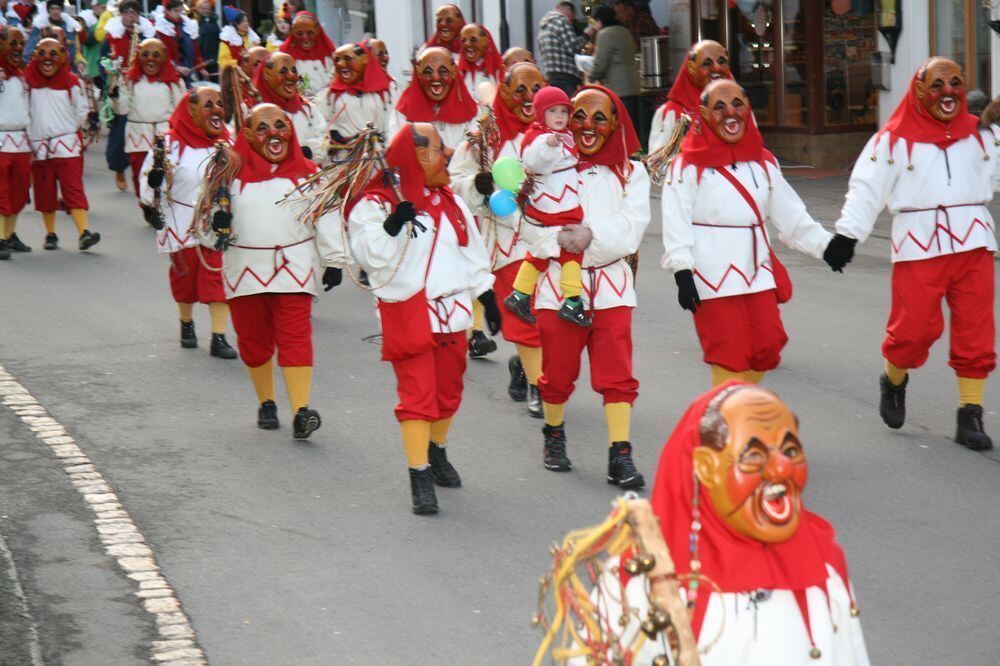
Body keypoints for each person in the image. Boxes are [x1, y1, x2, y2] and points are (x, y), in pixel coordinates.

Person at [578, 383, 870, 664]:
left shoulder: (825, 571)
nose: (782, 468)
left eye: (790, 451)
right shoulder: (639, 581)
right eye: (754, 456)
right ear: (705, 467)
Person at [833, 57, 999, 450]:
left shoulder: (981, 136)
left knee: (976, 331)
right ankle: (893, 379)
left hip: (972, 241)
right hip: (919, 246)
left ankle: (969, 413)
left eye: (955, 83)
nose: (948, 92)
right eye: (938, 85)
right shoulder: (893, 140)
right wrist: (847, 235)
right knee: (913, 332)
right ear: (920, 91)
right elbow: (866, 189)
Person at [344, 122, 497, 515]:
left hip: (453, 313)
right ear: (416, 156)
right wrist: (394, 223)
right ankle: (419, 474)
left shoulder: (452, 202)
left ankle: (436, 448)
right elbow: (369, 255)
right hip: (409, 313)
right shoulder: (376, 203)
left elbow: (472, 253)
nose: (447, 155)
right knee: (417, 397)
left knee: (449, 392)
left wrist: (488, 294)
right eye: (438, 148)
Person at [660, 79, 840, 386]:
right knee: (729, 351)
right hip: (711, 275)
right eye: (719, 107)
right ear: (703, 113)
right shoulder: (686, 166)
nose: (730, 113)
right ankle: (729, 418)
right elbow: (675, 220)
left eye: (737, 105)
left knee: (768, 346)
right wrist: (682, 272)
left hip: (756, 271)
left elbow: (791, 215)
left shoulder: (764, 162)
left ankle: (733, 404)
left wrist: (827, 247)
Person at [519, 84, 647, 486]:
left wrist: (588, 234)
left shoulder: (632, 171)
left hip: (610, 284)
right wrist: (557, 240)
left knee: (618, 375)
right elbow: (526, 225)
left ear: (615, 124)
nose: (587, 126)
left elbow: (632, 227)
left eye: (599, 117)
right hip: (558, 284)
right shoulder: (548, 165)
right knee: (557, 374)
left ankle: (620, 453)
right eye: (579, 116)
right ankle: (553, 434)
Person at [204, 103, 324, 439]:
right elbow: (206, 232)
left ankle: (301, 411)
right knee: (254, 343)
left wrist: (334, 262)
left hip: (295, 269)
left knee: (296, 338)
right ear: (248, 135)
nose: (273, 133)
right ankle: (267, 401)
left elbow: (326, 221)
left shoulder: (310, 175)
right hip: (246, 272)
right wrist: (217, 223)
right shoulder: (227, 178)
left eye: (280, 125)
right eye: (262, 127)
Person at [449, 61, 547, 414]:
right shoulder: (485, 138)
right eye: (520, 90)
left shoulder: (557, 132)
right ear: (505, 93)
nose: (528, 98)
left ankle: (524, 364)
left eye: (536, 89)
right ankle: (539, 387)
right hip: (508, 243)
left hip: (550, 239)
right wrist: (477, 185)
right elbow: (455, 179)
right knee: (525, 315)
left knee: (550, 318)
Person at [139, 87, 237, 358]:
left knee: (217, 276)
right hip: (180, 220)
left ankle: (218, 336)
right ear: (191, 111)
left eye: (219, 104)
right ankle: (186, 323)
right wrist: (149, 203)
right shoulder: (170, 143)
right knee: (185, 277)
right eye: (208, 105)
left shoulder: (228, 143)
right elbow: (150, 178)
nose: (216, 109)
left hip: (216, 220)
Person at [504, 85, 589, 327]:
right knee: (572, 248)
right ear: (541, 114)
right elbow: (535, 161)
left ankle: (520, 294)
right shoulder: (539, 137)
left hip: (562, 202)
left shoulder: (564, 135)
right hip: (555, 206)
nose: (560, 116)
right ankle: (572, 301)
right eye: (553, 111)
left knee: (543, 251)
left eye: (564, 111)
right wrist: (549, 145)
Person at [26, 37, 101, 251]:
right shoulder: (29, 83)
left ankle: (83, 232)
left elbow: (81, 110)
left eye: (53, 54)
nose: (48, 60)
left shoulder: (71, 82)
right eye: (42, 54)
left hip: (67, 145)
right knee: (45, 193)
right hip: (40, 148)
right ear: (35, 56)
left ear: (62, 57)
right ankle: (51, 234)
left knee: (73, 189)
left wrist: (69, 128)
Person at [111, 38, 185, 199]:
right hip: (138, 135)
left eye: (156, 55)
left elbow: (181, 111)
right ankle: (146, 204)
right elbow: (121, 110)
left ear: (164, 57)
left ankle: (161, 206)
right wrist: (116, 96)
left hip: (164, 135)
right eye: (145, 55)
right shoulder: (130, 80)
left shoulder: (174, 82)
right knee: (140, 173)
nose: (150, 59)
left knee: (167, 173)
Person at [101, 0, 155, 191]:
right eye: (128, 13)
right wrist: (110, 73)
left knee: (144, 131)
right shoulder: (112, 36)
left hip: (142, 88)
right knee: (120, 132)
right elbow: (103, 61)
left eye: (135, 13)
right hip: (120, 87)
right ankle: (119, 168)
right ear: (121, 15)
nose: (131, 17)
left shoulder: (146, 36)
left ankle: (144, 172)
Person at [648, 39, 732, 154]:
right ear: (692, 68)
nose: (716, 68)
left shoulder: (738, 108)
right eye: (707, 63)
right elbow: (659, 165)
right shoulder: (672, 113)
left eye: (721, 61)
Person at [388, 46, 477, 149]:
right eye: (427, 72)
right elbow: (396, 149)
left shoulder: (472, 111)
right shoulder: (402, 113)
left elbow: (475, 151)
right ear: (418, 74)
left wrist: (451, 155)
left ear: (453, 72)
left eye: (443, 71)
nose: (435, 77)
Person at [317, 42, 392, 158]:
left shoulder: (384, 94)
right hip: (344, 161)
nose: (341, 64)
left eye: (347, 59)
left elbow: (391, 126)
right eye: (337, 60)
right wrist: (332, 135)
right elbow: (319, 126)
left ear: (364, 59)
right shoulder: (329, 96)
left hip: (377, 159)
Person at [251, 50, 324, 158]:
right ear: (267, 75)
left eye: (293, 70)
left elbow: (324, 138)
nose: (291, 75)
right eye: (283, 71)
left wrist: (308, 150)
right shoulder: (251, 112)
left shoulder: (309, 109)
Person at [0, 25, 31, 259]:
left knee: (19, 191)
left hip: (21, 140)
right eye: (13, 43)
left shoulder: (22, 77)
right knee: (2, 191)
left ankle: (10, 235)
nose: (18, 48)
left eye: (21, 43)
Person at [587, 4, 640, 133]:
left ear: (600, 20)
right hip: (633, 85)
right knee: (632, 126)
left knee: (620, 127)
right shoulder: (624, 31)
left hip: (618, 89)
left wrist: (590, 76)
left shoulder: (605, 34)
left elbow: (601, 62)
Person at [537, 1, 588, 97]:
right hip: (566, 77)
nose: (571, 22)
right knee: (569, 108)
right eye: (572, 18)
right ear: (569, 12)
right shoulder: (562, 22)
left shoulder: (544, 27)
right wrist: (586, 35)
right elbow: (574, 48)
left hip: (551, 76)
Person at [279, 11, 334, 97]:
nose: (305, 37)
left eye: (310, 33)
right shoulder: (286, 56)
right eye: (299, 33)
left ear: (317, 31)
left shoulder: (330, 55)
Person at [26, 0, 85, 71]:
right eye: (52, 8)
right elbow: (30, 51)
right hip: (44, 69)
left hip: (65, 70)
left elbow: (76, 52)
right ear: (48, 10)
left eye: (58, 8)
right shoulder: (40, 27)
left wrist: (79, 62)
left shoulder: (70, 28)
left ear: (62, 10)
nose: (55, 11)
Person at [154, 0, 203, 83]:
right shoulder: (161, 28)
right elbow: (161, 54)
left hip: (187, 71)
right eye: (176, 11)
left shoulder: (188, 25)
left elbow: (195, 48)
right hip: (169, 73)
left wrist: (201, 67)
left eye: (180, 10)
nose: (179, 14)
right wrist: (176, 67)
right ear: (167, 11)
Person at [457, 23, 501, 104]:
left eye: (473, 40)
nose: (467, 44)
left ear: (486, 41)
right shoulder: (456, 71)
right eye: (463, 40)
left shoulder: (498, 70)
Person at [194, 0, 220, 80]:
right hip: (202, 60)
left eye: (208, 8)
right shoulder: (195, 22)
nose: (206, 11)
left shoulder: (214, 21)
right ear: (198, 9)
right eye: (203, 8)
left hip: (215, 59)